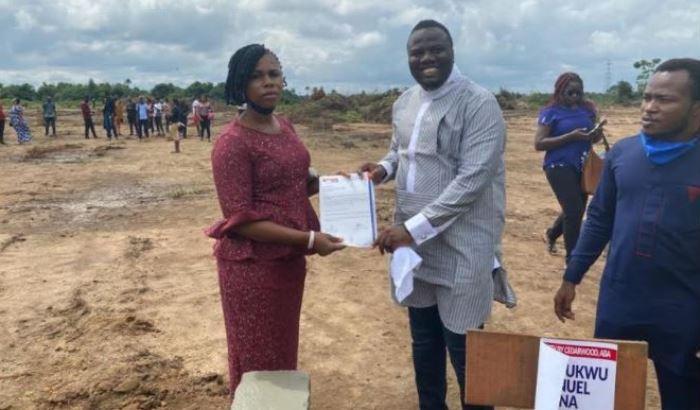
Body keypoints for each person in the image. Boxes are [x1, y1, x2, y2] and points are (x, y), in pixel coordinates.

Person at [359, 20, 505, 410]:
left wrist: (411, 229)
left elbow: (472, 181)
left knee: (467, 351)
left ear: (452, 50)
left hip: (462, 245)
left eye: (436, 49)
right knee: (424, 342)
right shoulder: (404, 102)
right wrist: (381, 171)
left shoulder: (479, 103)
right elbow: (399, 152)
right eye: (417, 52)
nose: (426, 58)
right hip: (416, 249)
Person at [554, 58, 700, 409]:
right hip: (621, 300)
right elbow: (599, 220)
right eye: (647, 97)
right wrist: (571, 277)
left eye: (664, 99)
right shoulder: (623, 153)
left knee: (683, 397)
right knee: (607, 398)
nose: (649, 107)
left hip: (684, 308)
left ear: (696, 110)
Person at [205, 44, 345, 398]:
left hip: (287, 264)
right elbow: (240, 220)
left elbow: (293, 186)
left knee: (282, 354)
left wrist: (342, 184)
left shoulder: (285, 126)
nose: (268, 82)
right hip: (252, 270)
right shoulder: (232, 144)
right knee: (257, 361)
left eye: (274, 74)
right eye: (257, 76)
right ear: (240, 84)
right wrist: (310, 240)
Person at [534, 73, 603, 260]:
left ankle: (552, 234)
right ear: (560, 91)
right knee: (574, 211)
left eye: (578, 93)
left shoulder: (587, 109)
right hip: (558, 166)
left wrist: (596, 133)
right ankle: (572, 260)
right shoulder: (551, 112)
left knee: (574, 210)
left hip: (582, 166)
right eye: (570, 93)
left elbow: (592, 138)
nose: (574, 97)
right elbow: (539, 143)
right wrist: (570, 136)